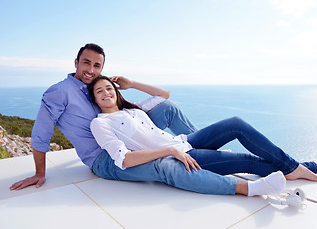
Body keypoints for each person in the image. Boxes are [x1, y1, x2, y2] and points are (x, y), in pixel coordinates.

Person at [87, 75, 317, 196]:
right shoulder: (100, 123)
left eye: (109, 88)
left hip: (185, 142)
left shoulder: (134, 109)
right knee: (246, 162)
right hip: (183, 155)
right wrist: (170, 151)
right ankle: (305, 167)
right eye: (100, 91)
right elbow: (124, 160)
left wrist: (132, 84)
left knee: (235, 123)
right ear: (94, 99)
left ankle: (294, 167)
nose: (107, 93)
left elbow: (165, 95)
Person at [9, 43, 197, 191]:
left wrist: (130, 84)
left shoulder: (99, 87)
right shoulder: (59, 91)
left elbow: (146, 103)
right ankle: (201, 159)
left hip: (127, 137)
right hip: (105, 156)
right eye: (86, 63)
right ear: (76, 62)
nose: (91, 70)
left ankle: (199, 149)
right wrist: (39, 172)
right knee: (165, 167)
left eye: (97, 65)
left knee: (167, 108)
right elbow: (41, 132)